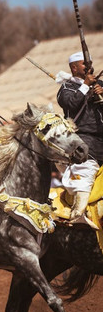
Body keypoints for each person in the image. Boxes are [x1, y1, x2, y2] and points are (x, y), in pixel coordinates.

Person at [57, 51, 103, 221]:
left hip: (102, 138)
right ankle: (77, 215)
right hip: (83, 140)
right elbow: (71, 104)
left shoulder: (99, 84)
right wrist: (85, 86)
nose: (88, 66)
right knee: (85, 175)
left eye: (89, 62)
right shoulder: (66, 88)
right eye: (84, 63)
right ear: (74, 67)